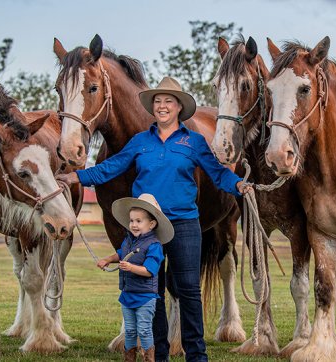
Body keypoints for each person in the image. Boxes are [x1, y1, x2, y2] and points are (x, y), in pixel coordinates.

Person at [56, 76, 250, 362]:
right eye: (157, 101)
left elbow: (217, 173)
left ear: (179, 107)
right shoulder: (140, 142)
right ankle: (159, 354)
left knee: (188, 291)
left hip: (184, 224)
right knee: (151, 292)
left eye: (168, 101)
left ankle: (196, 355)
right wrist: (75, 176)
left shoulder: (194, 142)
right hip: (149, 228)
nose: (162, 106)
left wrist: (238, 185)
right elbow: (109, 167)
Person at [97, 193, 172, 362]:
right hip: (128, 294)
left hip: (145, 297)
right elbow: (121, 253)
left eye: (139, 221)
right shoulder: (129, 241)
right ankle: (129, 358)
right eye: (132, 221)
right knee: (130, 330)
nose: (134, 224)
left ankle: (148, 358)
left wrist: (130, 267)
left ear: (151, 224)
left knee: (144, 330)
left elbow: (150, 270)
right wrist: (108, 259)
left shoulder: (154, 246)